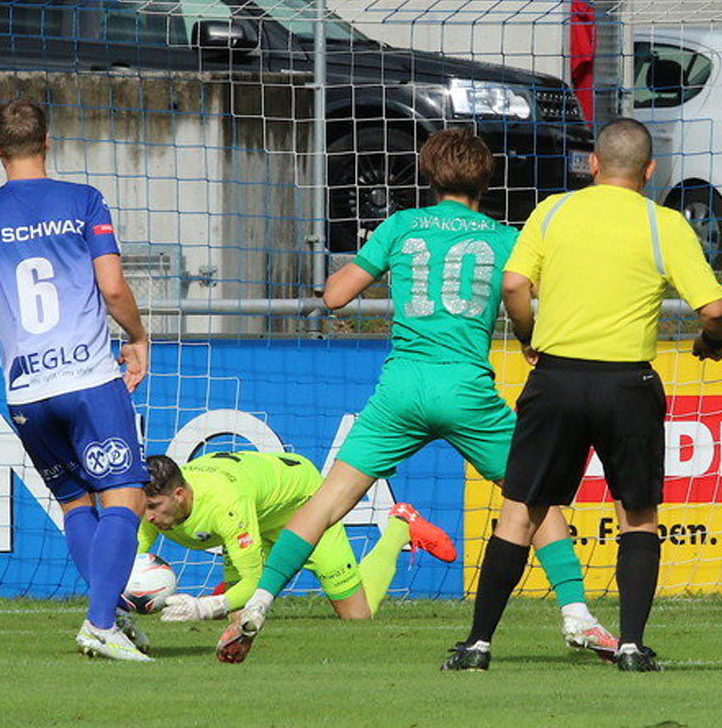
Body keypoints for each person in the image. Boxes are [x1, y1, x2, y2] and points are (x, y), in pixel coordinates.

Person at [214, 128, 620, 664]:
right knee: (534, 496)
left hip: (402, 388)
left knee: (327, 502)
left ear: (428, 177)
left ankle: (259, 603)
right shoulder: (504, 238)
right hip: (466, 388)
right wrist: (529, 337)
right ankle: (577, 616)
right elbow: (531, 293)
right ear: (486, 180)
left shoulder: (401, 226)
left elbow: (335, 296)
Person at [446, 117, 722, 673]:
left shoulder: (553, 211)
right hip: (627, 384)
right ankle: (631, 646)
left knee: (520, 511)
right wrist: (711, 343)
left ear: (594, 164)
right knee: (637, 516)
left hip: (557, 380)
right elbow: (715, 310)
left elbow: (513, 284)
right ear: (649, 171)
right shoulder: (663, 224)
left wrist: (528, 334)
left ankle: (477, 645)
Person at [0, 98, 156, 662]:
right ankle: (100, 623)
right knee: (126, 496)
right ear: (47, 142)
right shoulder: (83, 201)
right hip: (87, 378)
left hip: (26, 392)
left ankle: (108, 616)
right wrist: (137, 336)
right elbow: (112, 287)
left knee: (74, 502)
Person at [140, 451, 454, 622]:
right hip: (258, 514)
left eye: (154, 507)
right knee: (238, 620)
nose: (149, 516)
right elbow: (126, 555)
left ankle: (400, 527)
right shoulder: (153, 507)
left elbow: (254, 583)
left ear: (179, 495)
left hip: (303, 502)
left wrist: (205, 607)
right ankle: (231, 586)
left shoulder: (226, 506)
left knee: (357, 616)